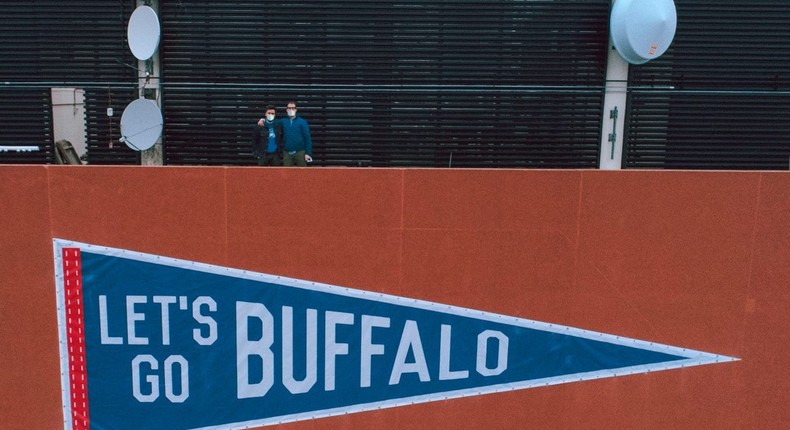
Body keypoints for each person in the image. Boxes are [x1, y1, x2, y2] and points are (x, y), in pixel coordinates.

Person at [280, 102, 313, 166]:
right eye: (289, 108)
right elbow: (273, 123)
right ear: (286, 110)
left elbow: (307, 138)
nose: (291, 110)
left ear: (296, 109)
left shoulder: (302, 122)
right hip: (287, 153)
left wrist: (308, 153)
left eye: (293, 108)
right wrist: (263, 120)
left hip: (300, 152)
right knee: (287, 174)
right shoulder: (283, 121)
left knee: (302, 173)